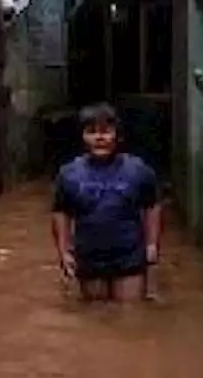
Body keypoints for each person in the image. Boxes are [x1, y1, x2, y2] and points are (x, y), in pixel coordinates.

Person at [50, 103, 161, 302]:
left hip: (129, 257)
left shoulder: (138, 170)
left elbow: (152, 205)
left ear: (117, 136)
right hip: (89, 258)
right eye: (91, 132)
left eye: (106, 132)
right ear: (83, 137)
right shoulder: (69, 174)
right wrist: (64, 251)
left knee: (131, 315)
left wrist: (152, 244)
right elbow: (61, 213)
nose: (99, 138)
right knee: (96, 317)